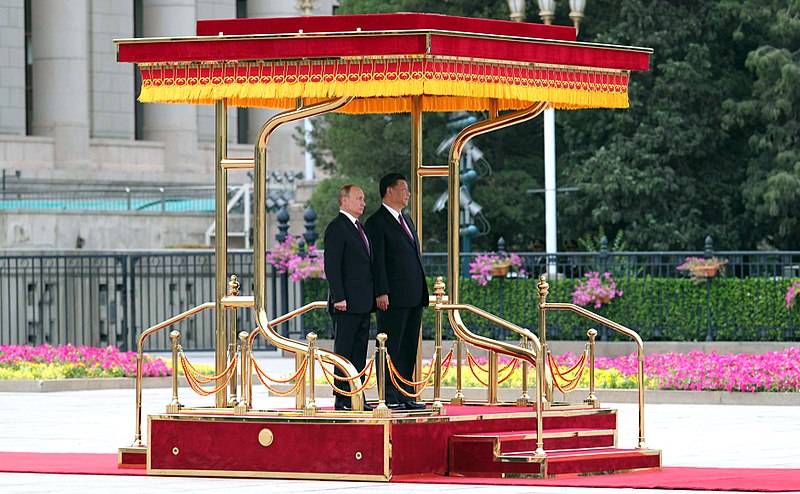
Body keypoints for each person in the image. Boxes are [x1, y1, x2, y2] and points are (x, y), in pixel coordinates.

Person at [364, 173, 429, 410]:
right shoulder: (376, 222)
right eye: (404, 189)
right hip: (392, 297)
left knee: (409, 347)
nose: (408, 193)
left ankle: (406, 394)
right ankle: (389, 395)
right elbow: (377, 261)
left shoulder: (407, 219)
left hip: (413, 295)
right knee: (391, 347)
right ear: (389, 191)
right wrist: (381, 292)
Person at [323, 184, 375, 411]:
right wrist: (339, 297)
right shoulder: (337, 227)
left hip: (362, 302)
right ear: (344, 200)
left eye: (363, 199)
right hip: (346, 304)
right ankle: (342, 397)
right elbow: (332, 266)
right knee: (343, 352)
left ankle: (357, 396)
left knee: (359, 352)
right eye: (358, 199)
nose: (363, 203)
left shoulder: (359, 227)